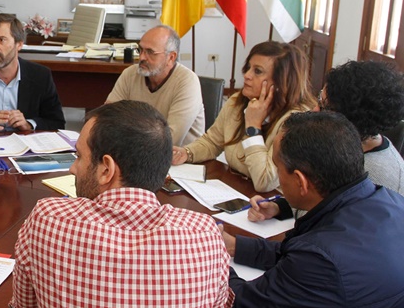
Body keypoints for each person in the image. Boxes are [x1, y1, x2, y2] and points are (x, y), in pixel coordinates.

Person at [9, 101, 233, 308]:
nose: (72, 168)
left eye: (79, 156)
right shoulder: (205, 235)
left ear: (107, 169)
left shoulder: (48, 220)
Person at [221, 111, 404, 308]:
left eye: (278, 167)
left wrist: (213, 258)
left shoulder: (322, 259)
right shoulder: (388, 201)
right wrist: (236, 246)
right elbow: (299, 256)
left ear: (301, 181)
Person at [246, 59, 404, 222]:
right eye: (318, 98)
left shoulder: (382, 180)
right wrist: (280, 207)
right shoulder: (335, 145)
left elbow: (340, 224)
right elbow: (320, 197)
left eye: (323, 106)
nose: (314, 110)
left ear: (346, 121)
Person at [171, 40, 315, 192]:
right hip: (235, 188)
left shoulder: (296, 122)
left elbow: (264, 181)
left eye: (257, 71)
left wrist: (253, 127)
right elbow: (212, 142)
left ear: (281, 82)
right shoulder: (238, 102)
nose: (247, 75)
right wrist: (187, 153)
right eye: (248, 68)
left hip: (270, 201)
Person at [106, 24, 204, 146]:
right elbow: (107, 118)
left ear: (171, 57)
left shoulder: (187, 82)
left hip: (178, 155)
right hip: (135, 150)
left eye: (150, 52)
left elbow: (170, 139)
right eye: (140, 50)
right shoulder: (130, 74)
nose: (142, 57)